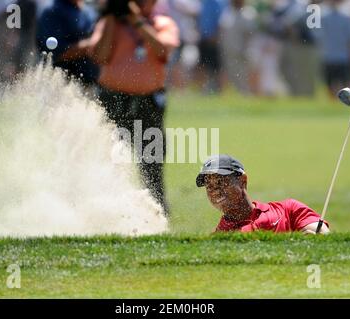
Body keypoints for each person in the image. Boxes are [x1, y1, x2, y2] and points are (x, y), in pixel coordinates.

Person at [90, 0, 179, 214]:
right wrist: (112, 17)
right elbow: (100, 56)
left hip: (148, 102)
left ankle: (158, 214)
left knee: (152, 162)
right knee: (110, 159)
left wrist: (136, 20)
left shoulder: (162, 23)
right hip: (113, 100)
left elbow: (162, 51)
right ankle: (108, 213)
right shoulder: (109, 23)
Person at [196, 155, 330, 234]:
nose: (215, 191)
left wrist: (316, 238)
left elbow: (322, 234)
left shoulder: (288, 210)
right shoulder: (220, 237)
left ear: (243, 181)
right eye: (210, 186)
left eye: (222, 182)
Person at [37, 0, 99, 88]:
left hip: (89, 83)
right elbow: (57, 54)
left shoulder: (89, 11)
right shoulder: (53, 11)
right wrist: (91, 45)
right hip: (59, 86)